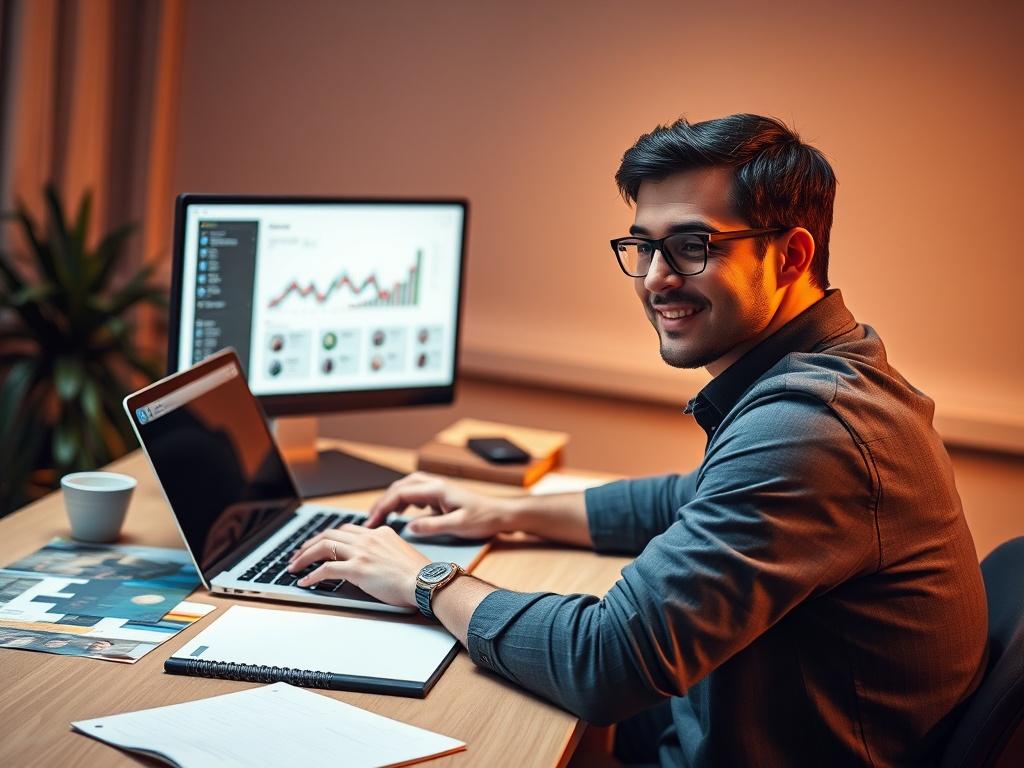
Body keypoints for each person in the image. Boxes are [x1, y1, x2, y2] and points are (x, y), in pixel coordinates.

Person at [289, 114, 987, 765]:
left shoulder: (810, 429)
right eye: (643, 246)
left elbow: (608, 662)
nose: (656, 278)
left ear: (792, 254)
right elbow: (691, 499)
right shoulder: (829, 373)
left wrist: (424, 579)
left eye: (692, 246)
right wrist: (503, 511)